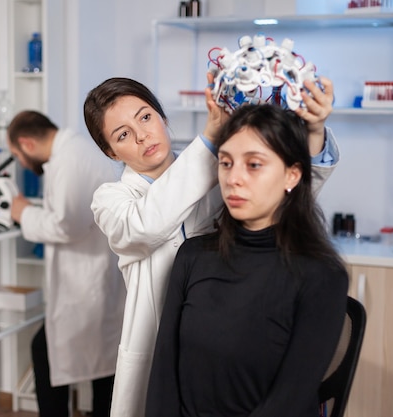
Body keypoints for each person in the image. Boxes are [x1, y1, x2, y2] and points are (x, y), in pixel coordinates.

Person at [83, 74, 338, 417]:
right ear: (110, 151)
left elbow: (286, 187)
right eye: (123, 135)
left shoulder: (215, 170)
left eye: (145, 116)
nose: (142, 135)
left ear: (162, 116)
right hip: (166, 355)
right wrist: (209, 141)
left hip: (229, 345)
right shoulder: (112, 200)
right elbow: (146, 225)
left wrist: (315, 129)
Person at [145, 104, 349, 416]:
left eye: (254, 165)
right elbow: (163, 376)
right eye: (225, 163)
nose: (234, 178)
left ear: (292, 175)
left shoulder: (321, 274)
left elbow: (290, 399)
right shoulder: (193, 256)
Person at [8, 110, 126, 417]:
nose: (21, 163)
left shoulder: (69, 160)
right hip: (93, 277)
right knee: (103, 368)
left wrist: (23, 213)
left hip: (86, 282)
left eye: (16, 155)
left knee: (54, 353)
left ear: (26, 143)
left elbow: (66, 226)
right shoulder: (73, 151)